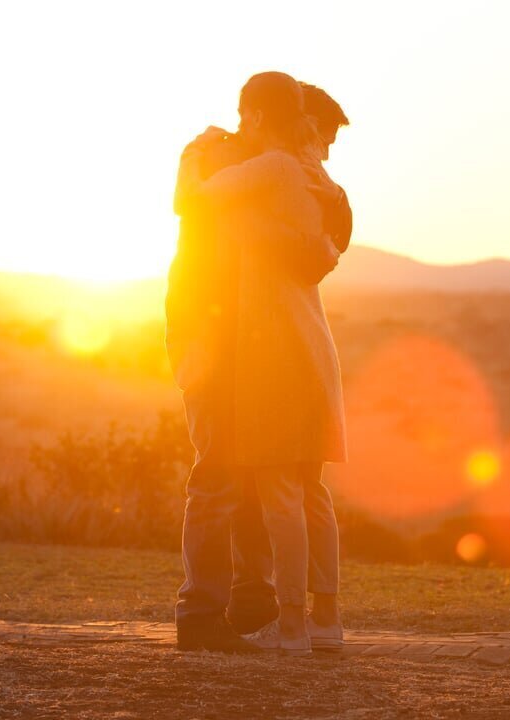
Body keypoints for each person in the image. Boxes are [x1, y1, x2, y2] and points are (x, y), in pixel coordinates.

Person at [167, 72, 347, 655]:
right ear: (281, 118)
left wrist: (330, 208)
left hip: (255, 340)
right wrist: (317, 241)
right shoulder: (225, 156)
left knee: (259, 475)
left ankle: (253, 601)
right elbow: (199, 207)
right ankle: (204, 613)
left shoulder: (281, 167)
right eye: (312, 132)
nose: (318, 149)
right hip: (213, 334)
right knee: (221, 472)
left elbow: (330, 228)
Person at [225, 84, 352, 649]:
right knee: (310, 492)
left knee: (281, 493)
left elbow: (197, 198)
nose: (324, 151)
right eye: (323, 138)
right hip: (315, 351)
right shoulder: (317, 192)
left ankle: (294, 624)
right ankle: (326, 620)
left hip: (277, 355)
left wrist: (207, 147)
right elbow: (326, 247)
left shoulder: (273, 178)